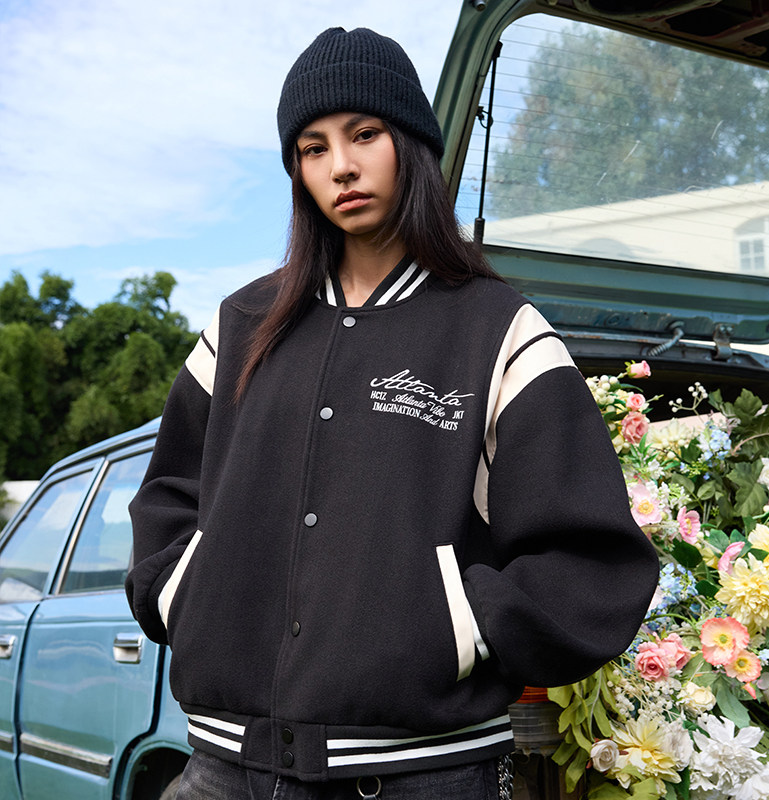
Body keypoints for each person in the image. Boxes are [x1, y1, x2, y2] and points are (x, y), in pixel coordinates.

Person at [126, 27, 659, 800]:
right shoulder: (240, 325)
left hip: (421, 777)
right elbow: (168, 498)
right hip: (220, 772)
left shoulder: (499, 330)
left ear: (410, 144)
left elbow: (593, 560)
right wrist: (182, 592)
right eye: (313, 149)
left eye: (364, 134)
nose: (340, 166)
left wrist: (463, 626)